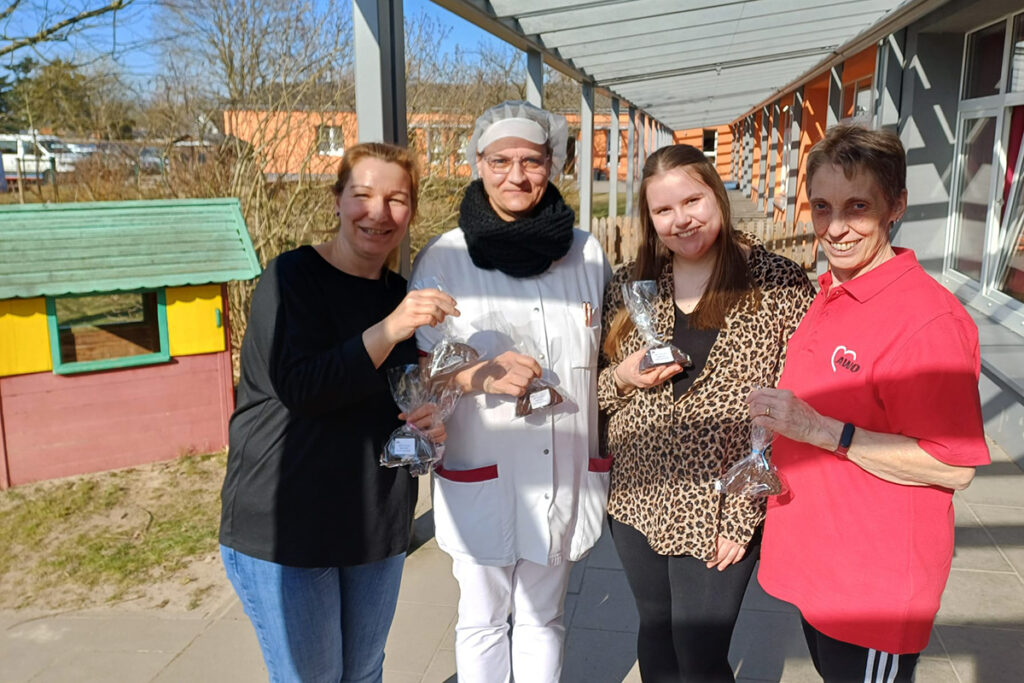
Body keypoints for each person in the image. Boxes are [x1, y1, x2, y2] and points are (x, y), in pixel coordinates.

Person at [748, 124, 990, 682]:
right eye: (823, 207)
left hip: (871, 589)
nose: (836, 227)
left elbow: (952, 467)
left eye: (858, 207)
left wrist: (825, 432)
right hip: (820, 568)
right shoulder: (832, 290)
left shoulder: (928, 321)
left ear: (896, 206)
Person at [219, 142, 457, 683]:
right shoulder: (290, 278)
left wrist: (429, 421)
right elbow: (304, 388)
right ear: (337, 200)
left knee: (365, 672)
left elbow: (401, 394)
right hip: (287, 526)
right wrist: (391, 327)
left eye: (396, 200)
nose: (378, 213)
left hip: (373, 522)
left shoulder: (402, 294)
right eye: (363, 195)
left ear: (412, 212)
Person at [598, 144, 816, 682]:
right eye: (663, 210)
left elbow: (793, 407)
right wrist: (622, 377)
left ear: (716, 195)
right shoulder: (633, 287)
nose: (681, 220)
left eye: (692, 200)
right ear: (649, 219)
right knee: (655, 629)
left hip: (722, 498)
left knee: (699, 652)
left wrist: (743, 520)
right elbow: (600, 394)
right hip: (638, 492)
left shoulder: (777, 284)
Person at [410, 100, 611, 683]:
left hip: (563, 468)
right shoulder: (445, 257)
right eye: (500, 160)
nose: (516, 176)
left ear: (553, 164)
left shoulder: (585, 251)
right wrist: (477, 376)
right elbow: (417, 375)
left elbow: (604, 350)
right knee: (481, 618)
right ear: (478, 162)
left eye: (532, 160)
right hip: (483, 468)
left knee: (544, 617)